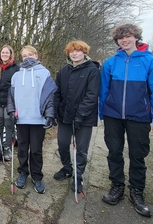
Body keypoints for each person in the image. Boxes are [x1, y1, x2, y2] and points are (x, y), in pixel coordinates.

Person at [100, 23, 153, 217]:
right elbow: (104, 90)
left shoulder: (150, 62)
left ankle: (136, 191)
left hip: (139, 116)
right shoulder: (110, 63)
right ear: (117, 41)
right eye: (120, 38)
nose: (124, 40)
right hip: (113, 115)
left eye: (128, 36)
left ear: (136, 37)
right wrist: (101, 112)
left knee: (138, 155)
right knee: (114, 152)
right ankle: (117, 186)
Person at [7, 45, 57, 194]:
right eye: (24, 55)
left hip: (38, 119)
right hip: (21, 118)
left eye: (30, 54)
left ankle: (37, 176)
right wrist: (11, 111)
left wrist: (49, 115)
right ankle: (23, 172)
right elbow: (11, 96)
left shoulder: (44, 73)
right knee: (22, 148)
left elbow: (50, 96)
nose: (27, 57)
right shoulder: (16, 75)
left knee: (35, 150)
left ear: (36, 56)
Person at [53, 40, 101, 194]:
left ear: (84, 52)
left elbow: (92, 95)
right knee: (62, 143)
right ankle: (67, 168)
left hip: (84, 118)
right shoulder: (63, 71)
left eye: (78, 51)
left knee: (81, 149)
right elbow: (57, 93)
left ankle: (78, 176)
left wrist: (80, 114)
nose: (74, 54)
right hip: (65, 116)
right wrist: (55, 111)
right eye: (71, 51)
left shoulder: (92, 71)